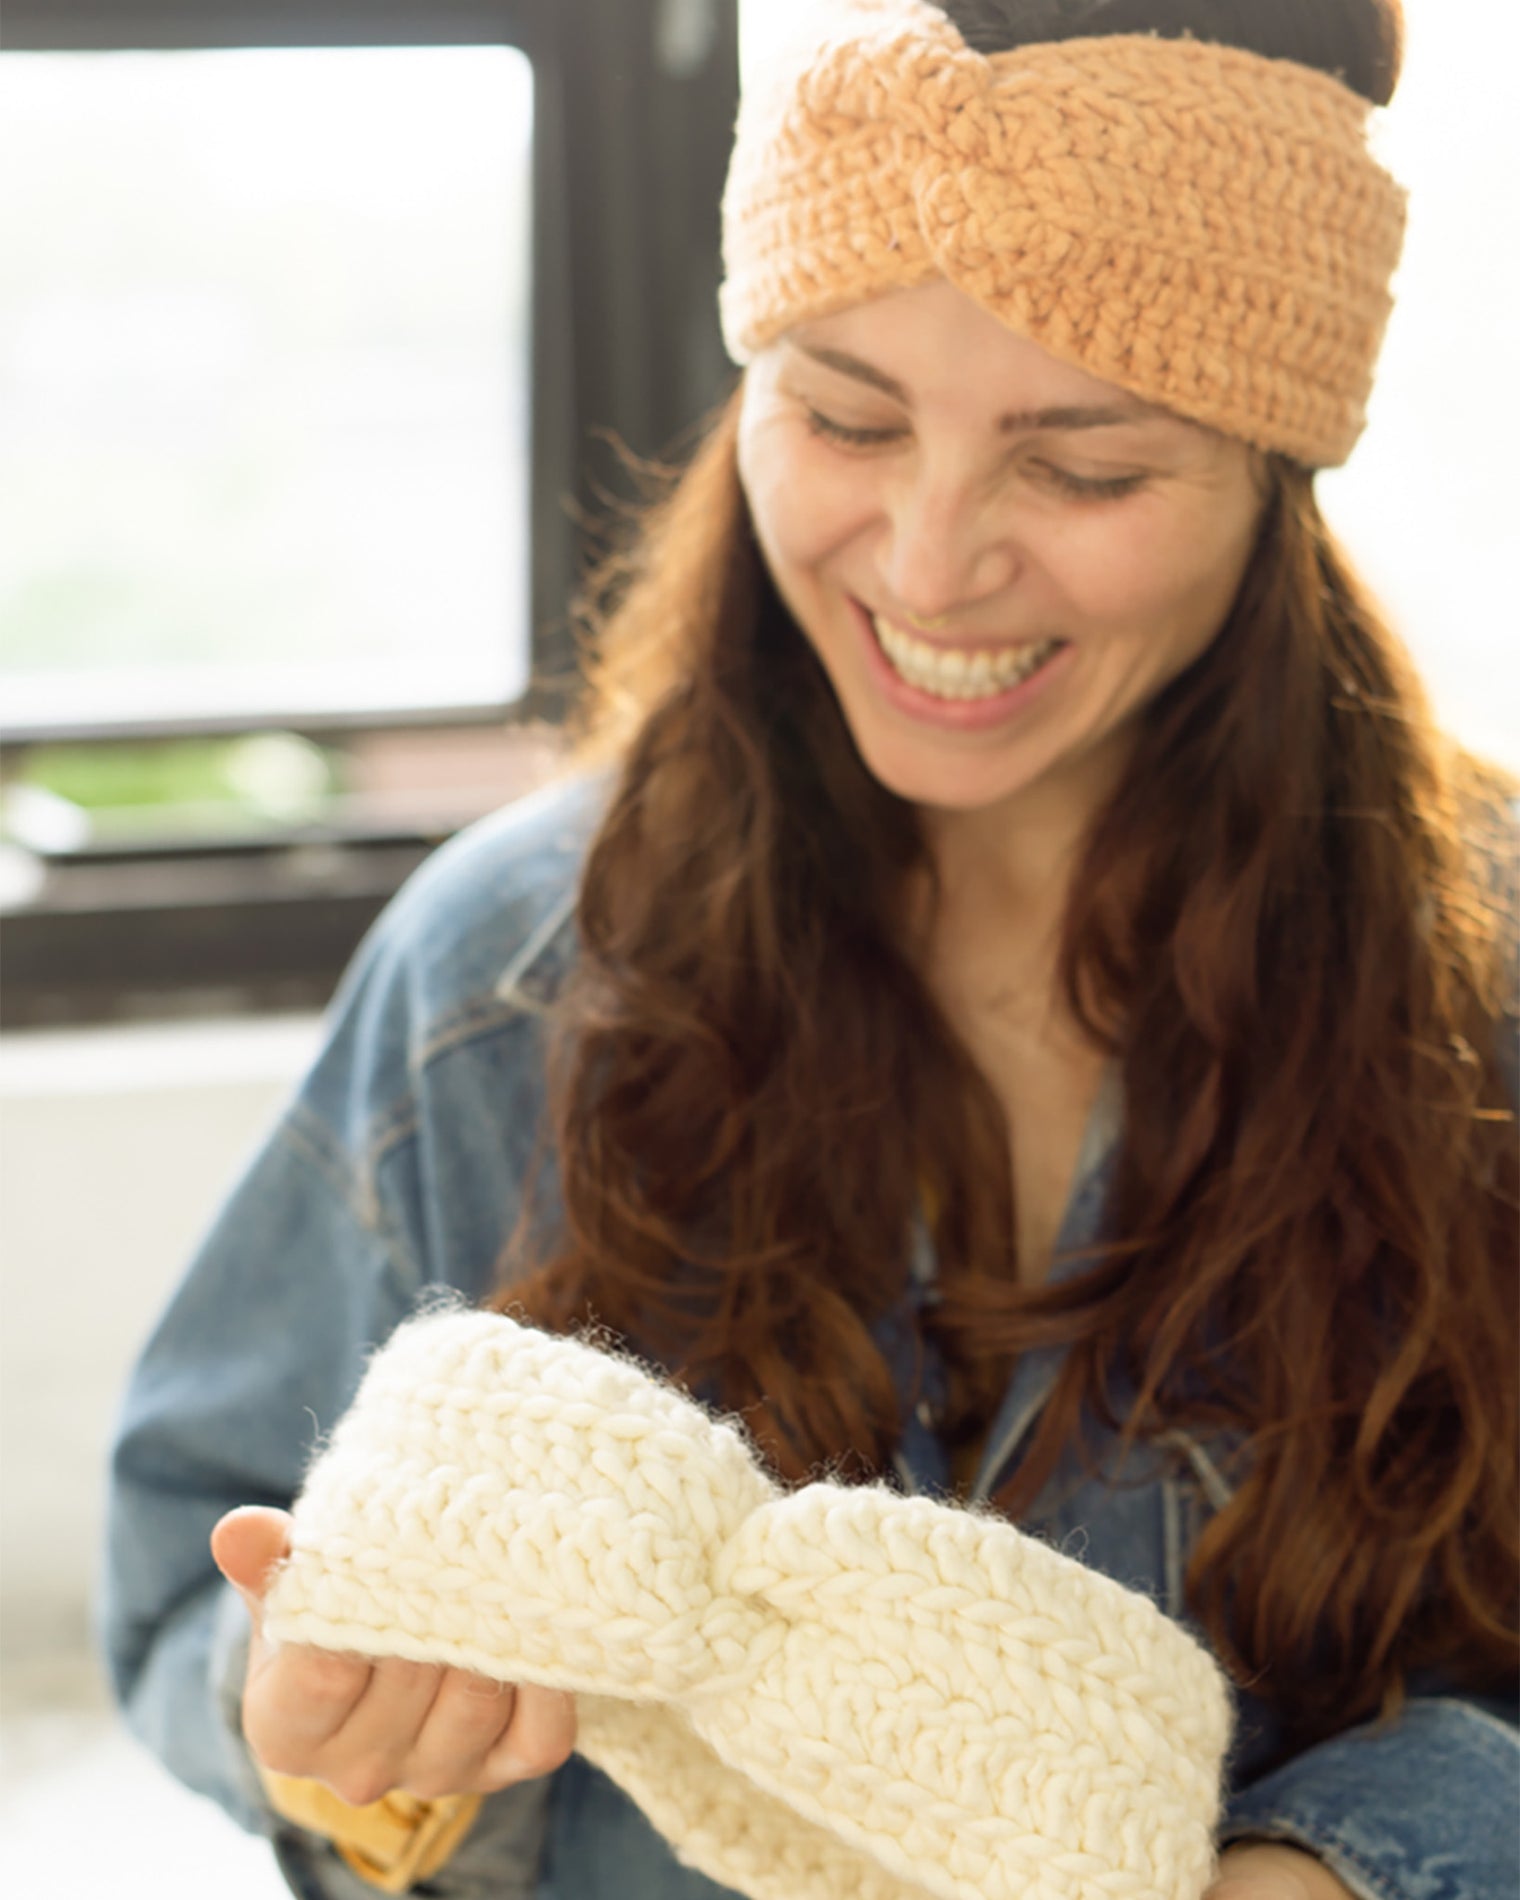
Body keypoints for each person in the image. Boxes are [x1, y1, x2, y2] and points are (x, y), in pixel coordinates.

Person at [103, 3, 1518, 1897]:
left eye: (1085, 470)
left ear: (1277, 473)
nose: (928, 565)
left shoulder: (1484, 975)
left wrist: (1350, 1867)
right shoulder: (498, 977)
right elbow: (186, 1574)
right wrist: (349, 1753)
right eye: (844, 415)